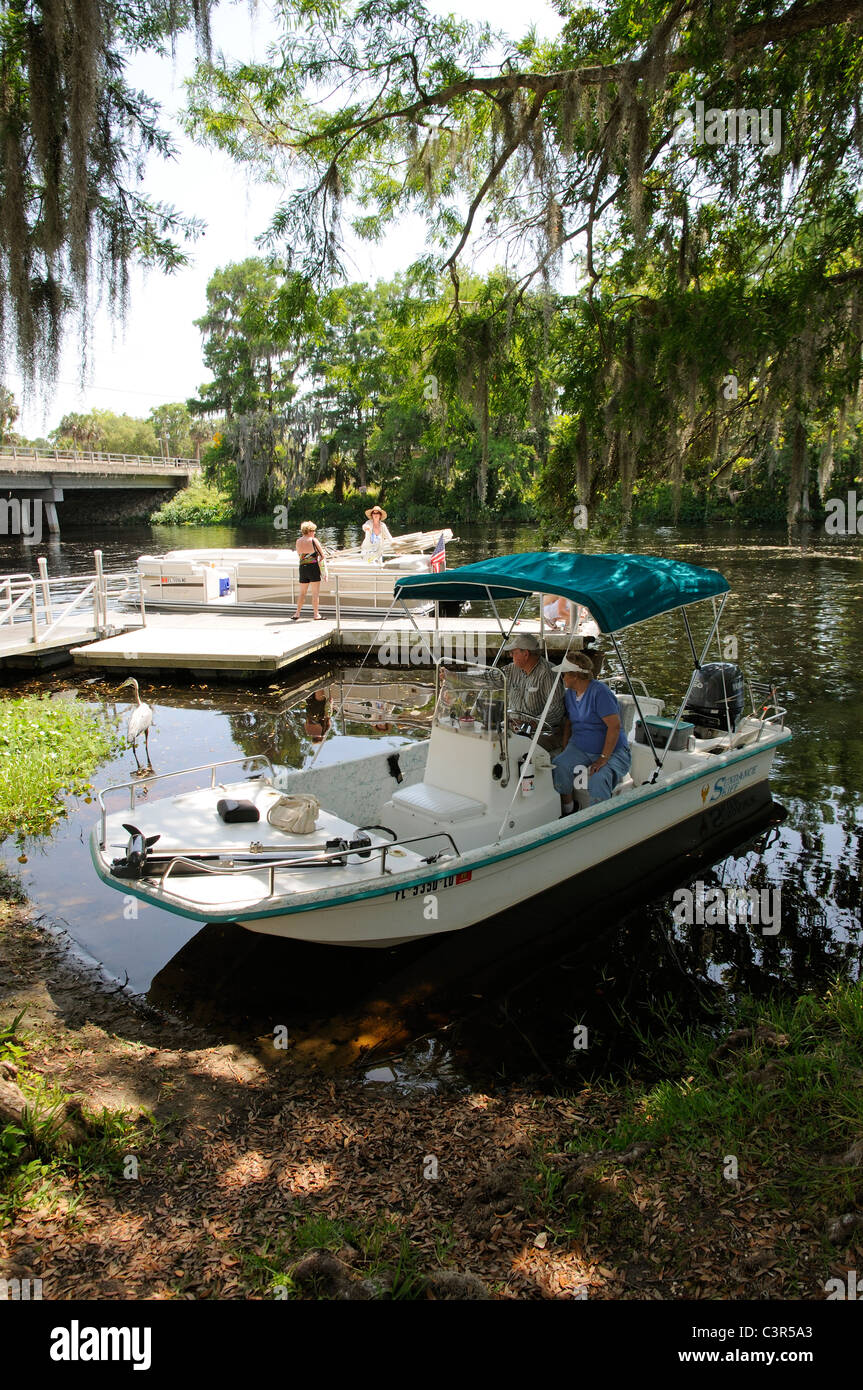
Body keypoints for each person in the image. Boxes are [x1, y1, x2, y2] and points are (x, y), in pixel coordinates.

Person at [552, 652, 631, 815]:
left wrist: (603, 758)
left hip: (613, 751)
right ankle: (569, 808)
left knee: (599, 779)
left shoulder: (600, 692)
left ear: (574, 675)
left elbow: (614, 726)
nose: (562, 677)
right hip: (580, 746)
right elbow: (569, 723)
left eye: (564, 674)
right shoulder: (570, 695)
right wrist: (567, 746)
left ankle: (597, 818)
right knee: (559, 764)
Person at [503, 633, 565, 751]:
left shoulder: (547, 672)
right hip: (515, 727)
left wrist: (531, 724)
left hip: (542, 732)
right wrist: (459, 677)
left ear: (526, 654)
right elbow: (492, 678)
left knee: (518, 749)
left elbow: (556, 709)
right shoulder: (512, 669)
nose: (511, 655)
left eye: (514, 652)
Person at [292, 521, 326, 621]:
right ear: (310, 531)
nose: (314, 532)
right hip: (313, 568)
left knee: (302, 592)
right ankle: (316, 614)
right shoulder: (313, 540)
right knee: (315, 593)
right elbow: (322, 555)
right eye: (314, 531)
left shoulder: (298, 541)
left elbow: (300, 555)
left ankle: (297, 613)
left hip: (303, 567)